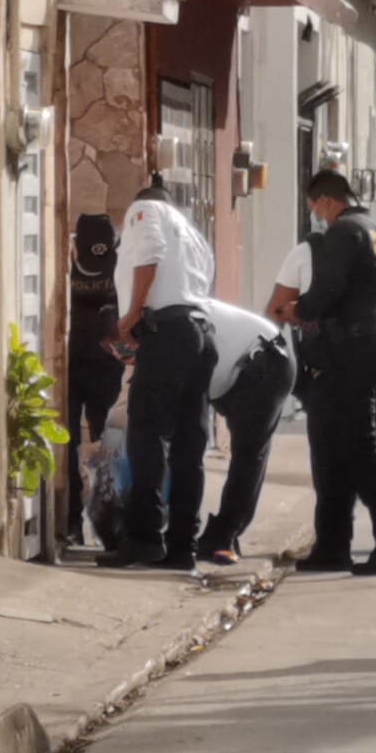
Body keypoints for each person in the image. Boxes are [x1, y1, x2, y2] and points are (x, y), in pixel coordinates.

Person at [280, 169, 376, 576]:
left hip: (352, 349)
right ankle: (333, 546)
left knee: (360, 446)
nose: (317, 219)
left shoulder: (342, 234)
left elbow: (327, 291)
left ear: (326, 200)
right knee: (343, 447)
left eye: (315, 210)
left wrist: (298, 311)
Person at [266, 229, 376, 525]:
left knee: (338, 456)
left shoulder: (309, 253)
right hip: (365, 370)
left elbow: (276, 312)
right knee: (374, 452)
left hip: (333, 373)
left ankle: (348, 539)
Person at [98, 179, 218, 570]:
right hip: (201, 333)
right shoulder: (194, 234)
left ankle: (144, 537)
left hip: (168, 331)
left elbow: (148, 253)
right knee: (188, 444)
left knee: (146, 434)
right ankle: (183, 545)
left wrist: (131, 316)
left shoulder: (145, 211)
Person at [187, 298, 297, 566]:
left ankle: (224, 535)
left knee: (248, 453)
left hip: (263, 362)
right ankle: (215, 533)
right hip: (231, 371)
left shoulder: (174, 323)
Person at [66, 214, 126, 544]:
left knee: (73, 443)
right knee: (109, 448)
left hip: (78, 367)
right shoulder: (121, 266)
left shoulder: (70, 265)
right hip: (102, 368)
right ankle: (109, 527)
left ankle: (76, 523)